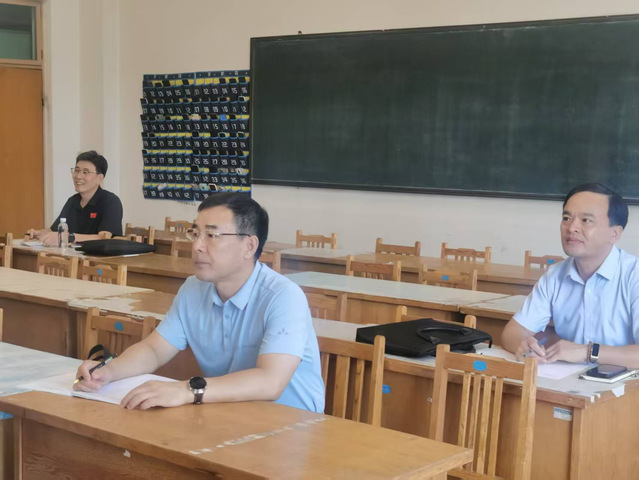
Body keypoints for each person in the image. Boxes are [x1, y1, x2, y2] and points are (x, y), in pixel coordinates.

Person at [74, 193, 325, 413]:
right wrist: (108, 371)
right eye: (195, 234)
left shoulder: (283, 297)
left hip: (291, 424)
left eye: (212, 235)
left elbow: (270, 382)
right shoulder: (194, 289)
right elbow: (154, 350)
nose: (197, 246)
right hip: (229, 414)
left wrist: (187, 390)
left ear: (249, 246)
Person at [501, 183, 639, 369]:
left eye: (586, 220)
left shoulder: (634, 276)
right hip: (570, 382)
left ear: (614, 234)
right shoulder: (554, 276)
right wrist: (524, 345)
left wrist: (588, 352)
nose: (572, 227)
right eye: (566, 218)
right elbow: (513, 331)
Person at [27, 150, 123, 246]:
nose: (78, 176)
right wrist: (39, 234)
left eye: (85, 172)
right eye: (76, 170)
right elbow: (54, 230)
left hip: (100, 255)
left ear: (99, 178)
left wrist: (70, 237)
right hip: (75, 254)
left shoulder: (111, 201)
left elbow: (104, 237)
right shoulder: (73, 201)